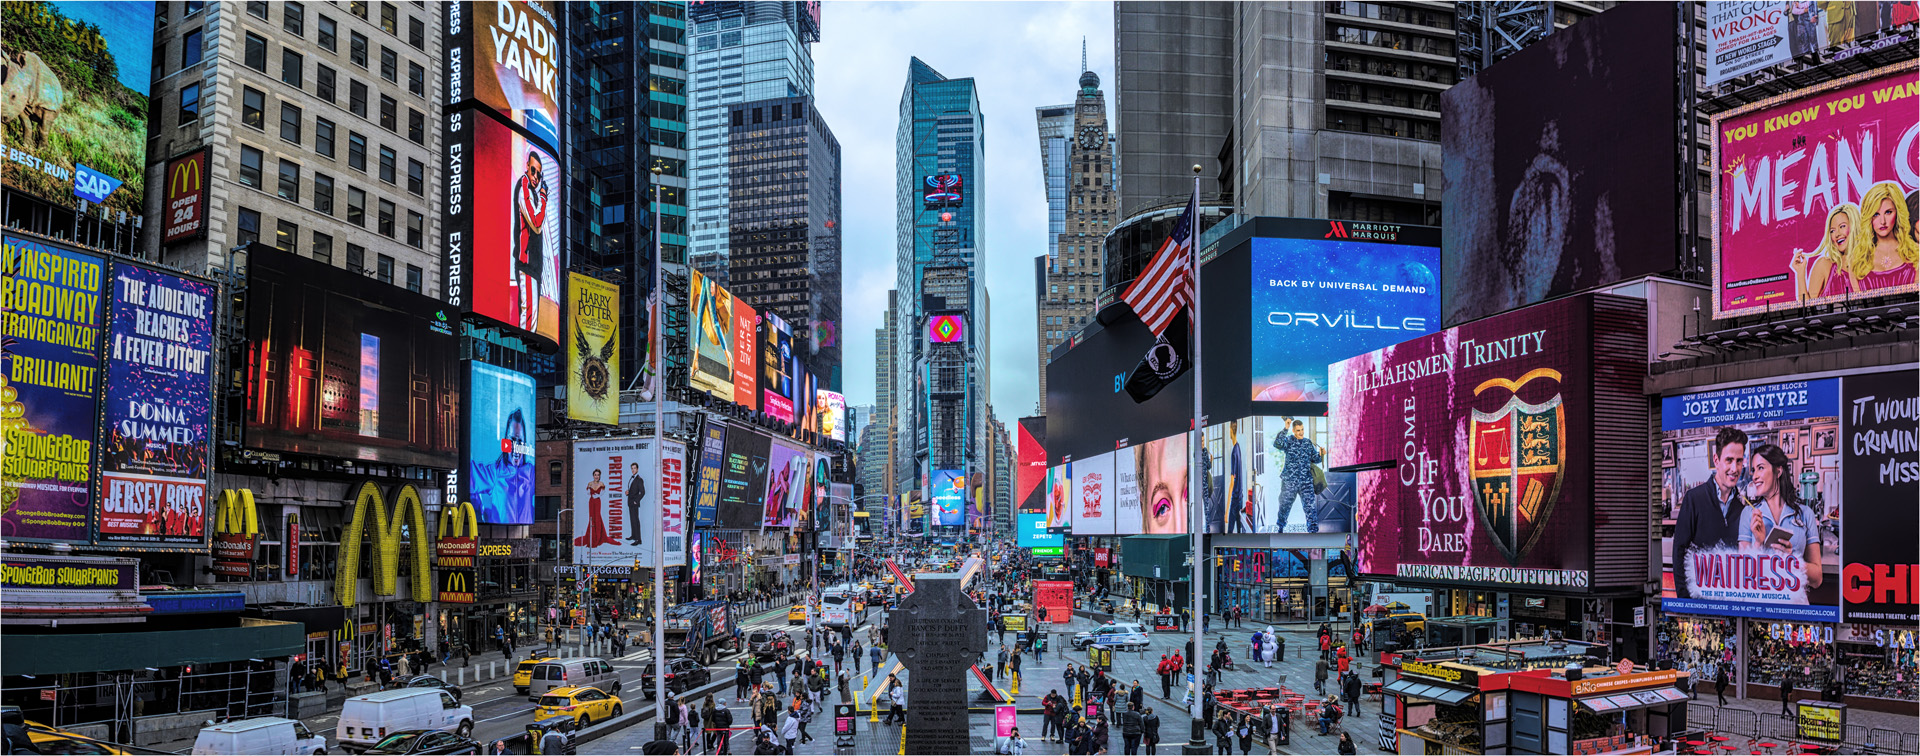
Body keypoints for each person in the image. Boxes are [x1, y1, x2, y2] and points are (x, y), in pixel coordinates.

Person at [1672, 427, 1750, 599]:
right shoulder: (1693, 499)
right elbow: (1679, 553)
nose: (1734, 468)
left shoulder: (1743, 507)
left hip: (1731, 601)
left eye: (1738, 461)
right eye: (1729, 460)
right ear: (1716, 459)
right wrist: (1685, 601)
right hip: (1699, 600)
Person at [1740, 443, 1827, 598]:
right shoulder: (1748, 514)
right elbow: (1743, 576)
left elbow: (1817, 579)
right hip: (1760, 606)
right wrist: (1758, 544)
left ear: (1778, 471)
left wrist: (1791, 560)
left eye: (1760, 468)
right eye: (1753, 470)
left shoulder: (1805, 514)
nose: (1754, 476)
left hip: (1796, 606)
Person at [1847, 180, 1919, 293]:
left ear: (1898, 213)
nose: (1883, 221)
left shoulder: (1916, 253)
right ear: (1869, 217)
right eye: (1876, 214)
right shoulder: (1857, 260)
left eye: (1888, 212)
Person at [1792, 203, 1860, 301]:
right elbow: (1806, 309)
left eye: (1842, 226)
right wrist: (1800, 273)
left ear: (1854, 226)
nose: (1837, 234)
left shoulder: (1868, 263)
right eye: (1832, 231)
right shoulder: (1824, 265)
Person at [1272, 419, 1324, 532]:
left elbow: (1315, 459)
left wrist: (1321, 454)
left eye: (1302, 430)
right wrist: (1285, 428)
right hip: (1289, 481)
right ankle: (1280, 526)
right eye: (1298, 430)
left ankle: (1313, 531)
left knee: (1310, 507)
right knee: (1284, 505)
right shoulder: (1289, 441)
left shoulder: (1307, 443)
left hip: (1306, 481)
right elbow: (1277, 444)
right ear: (1294, 431)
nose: (1301, 432)